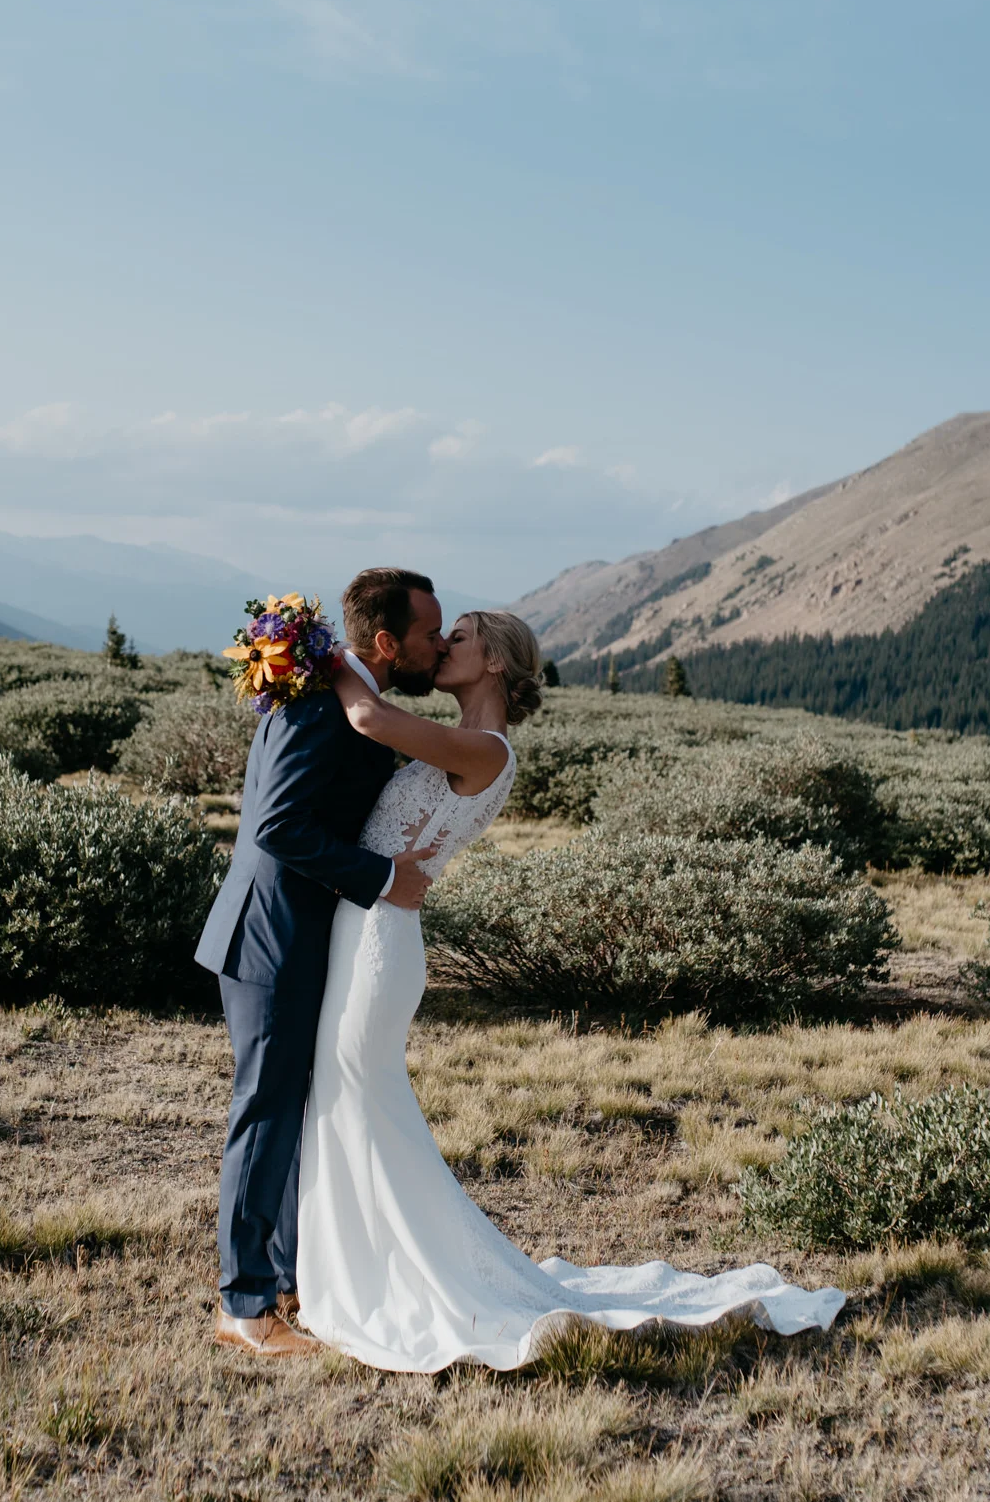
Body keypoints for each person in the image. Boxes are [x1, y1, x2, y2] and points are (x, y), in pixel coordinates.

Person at [296, 608, 848, 1372]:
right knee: (349, 1101)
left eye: (457, 637)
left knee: (361, 1102)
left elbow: (366, 715)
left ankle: (393, 1279)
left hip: (379, 946)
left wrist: (309, 646)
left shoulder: (485, 749)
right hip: (366, 929)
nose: (442, 646)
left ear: (493, 660)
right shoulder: (463, 738)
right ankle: (355, 1266)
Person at [195, 568, 447, 1357]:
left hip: (300, 936)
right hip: (272, 937)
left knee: (292, 1107)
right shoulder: (315, 702)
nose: (435, 646)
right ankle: (244, 1304)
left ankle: (287, 1278)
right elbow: (277, 826)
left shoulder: (339, 693)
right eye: (427, 634)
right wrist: (383, 879)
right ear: (384, 642)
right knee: (266, 1111)